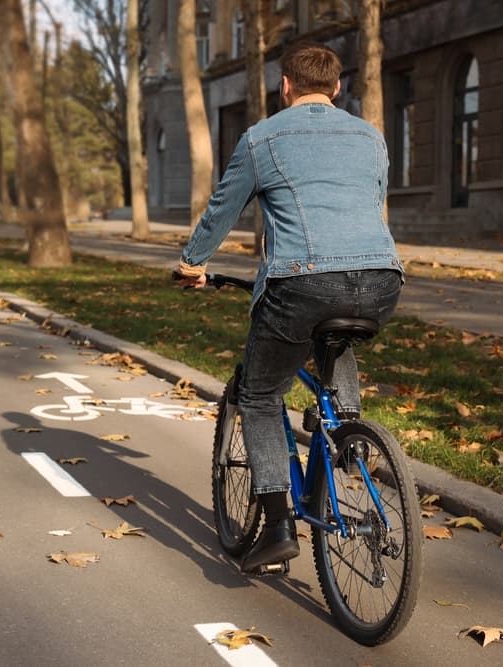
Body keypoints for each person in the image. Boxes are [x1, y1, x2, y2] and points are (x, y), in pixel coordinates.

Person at [175, 40, 404, 573]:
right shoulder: (372, 137)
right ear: (338, 87)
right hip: (381, 279)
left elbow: (221, 209)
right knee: (336, 331)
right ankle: (347, 434)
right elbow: (370, 202)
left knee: (257, 394)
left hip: (302, 282)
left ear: (284, 87)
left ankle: (277, 524)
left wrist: (191, 262)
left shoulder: (262, 138)